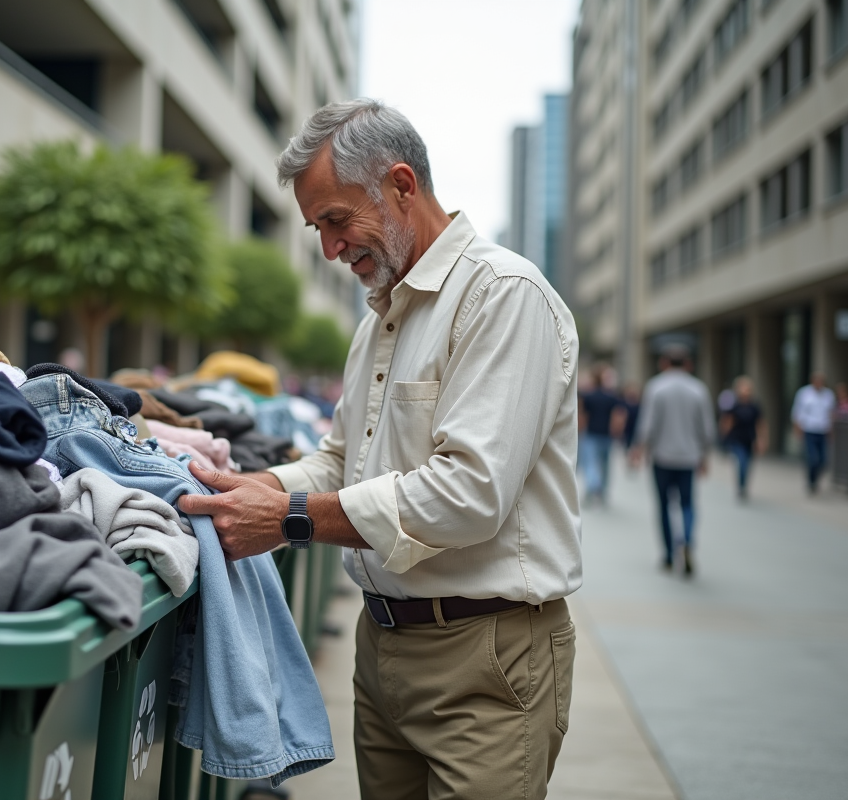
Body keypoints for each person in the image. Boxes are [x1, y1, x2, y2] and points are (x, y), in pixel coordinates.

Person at [177, 99, 581, 799]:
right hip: (383, 648)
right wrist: (253, 485)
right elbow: (340, 460)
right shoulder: (381, 315)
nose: (331, 249)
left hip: (487, 659)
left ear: (401, 184)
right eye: (318, 230)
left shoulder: (504, 296)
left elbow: (469, 494)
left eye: (337, 221)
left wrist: (292, 519)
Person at [632, 346, 716, 576]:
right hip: (689, 457)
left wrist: (639, 448)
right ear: (687, 364)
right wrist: (704, 454)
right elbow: (707, 429)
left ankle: (669, 554)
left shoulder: (656, 387)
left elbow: (647, 424)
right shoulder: (699, 389)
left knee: (664, 506)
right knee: (687, 504)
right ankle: (686, 539)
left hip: (662, 457)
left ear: (665, 363)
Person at [579, 363, 624, 504]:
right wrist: (617, 431)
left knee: (590, 462)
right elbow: (619, 416)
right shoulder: (612, 397)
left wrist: (580, 431)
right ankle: (601, 491)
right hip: (606, 435)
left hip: (591, 434)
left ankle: (593, 486)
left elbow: (583, 416)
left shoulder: (588, 396)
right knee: (605, 465)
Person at [720, 376, 767, 500]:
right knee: (742, 462)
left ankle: (743, 485)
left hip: (749, 439)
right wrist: (724, 438)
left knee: (747, 465)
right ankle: (740, 487)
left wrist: (761, 439)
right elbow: (727, 422)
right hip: (737, 439)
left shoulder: (754, 406)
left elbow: (760, 423)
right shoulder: (734, 405)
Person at [791, 372, 835, 494]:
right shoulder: (804, 393)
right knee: (812, 458)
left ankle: (815, 479)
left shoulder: (828, 395)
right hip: (809, 429)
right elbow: (797, 412)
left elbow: (831, 413)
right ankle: (811, 481)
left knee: (823, 460)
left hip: (823, 430)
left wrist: (831, 430)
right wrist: (797, 429)